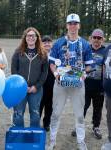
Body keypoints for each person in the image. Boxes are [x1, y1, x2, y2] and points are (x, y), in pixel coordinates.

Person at [48, 13, 93, 150]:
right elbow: (51, 63)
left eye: (75, 23)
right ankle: (52, 140)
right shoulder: (58, 43)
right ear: (67, 25)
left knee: (79, 114)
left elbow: (89, 65)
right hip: (61, 82)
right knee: (56, 112)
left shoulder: (85, 44)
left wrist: (84, 75)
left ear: (79, 25)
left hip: (77, 83)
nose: (73, 26)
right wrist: (56, 74)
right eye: (70, 23)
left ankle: (81, 141)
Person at [11, 27, 48, 127]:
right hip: (20, 89)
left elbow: (44, 73)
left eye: (33, 35)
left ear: (37, 38)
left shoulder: (43, 53)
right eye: (28, 35)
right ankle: (19, 136)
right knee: (18, 114)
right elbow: (14, 70)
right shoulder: (18, 52)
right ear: (25, 37)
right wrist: (22, 86)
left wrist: (36, 86)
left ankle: (33, 136)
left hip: (36, 89)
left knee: (35, 113)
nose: (31, 37)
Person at [84, 29, 106, 139]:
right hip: (85, 85)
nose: (96, 40)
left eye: (99, 38)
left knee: (98, 108)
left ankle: (96, 127)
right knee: (82, 107)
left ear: (103, 39)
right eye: (95, 37)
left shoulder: (106, 51)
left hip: (99, 86)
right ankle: (78, 126)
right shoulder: (85, 49)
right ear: (90, 38)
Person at [40, 35, 55, 131]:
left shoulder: (55, 55)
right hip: (41, 85)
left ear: (51, 44)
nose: (47, 44)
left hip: (52, 84)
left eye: (49, 42)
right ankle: (36, 123)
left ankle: (46, 124)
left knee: (49, 106)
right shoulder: (39, 54)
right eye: (44, 42)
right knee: (39, 105)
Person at [101, 44, 111, 150]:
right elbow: (104, 65)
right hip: (109, 92)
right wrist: (104, 82)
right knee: (110, 117)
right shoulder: (108, 48)